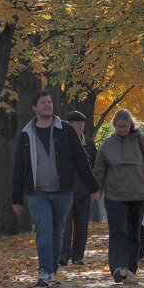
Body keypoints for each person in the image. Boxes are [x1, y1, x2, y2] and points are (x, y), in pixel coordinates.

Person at [11, 91, 100, 287]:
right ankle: (44, 270)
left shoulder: (66, 130)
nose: (47, 105)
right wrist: (16, 198)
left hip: (62, 191)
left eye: (49, 102)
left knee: (57, 230)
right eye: (43, 103)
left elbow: (81, 159)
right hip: (37, 192)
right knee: (44, 227)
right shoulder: (26, 134)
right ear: (35, 107)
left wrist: (93, 187)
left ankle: (52, 269)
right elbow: (19, 166)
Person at [93, 109, 144, 283]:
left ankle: (130, 269)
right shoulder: (108, 144)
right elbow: (99, 169)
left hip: (138, 194)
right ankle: (117, 267)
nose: (123, 129)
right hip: (115, 195)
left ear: (131, 124)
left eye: (126, 126)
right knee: (118, 231)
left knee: (134, 232)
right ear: (114, 126)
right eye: (120, 126)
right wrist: (97, 188)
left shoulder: (140, 141)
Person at [59, 110, 98, 266]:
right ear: (70, 124)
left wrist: (94, 188)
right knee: (65, 226)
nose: (81, 125)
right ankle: (64, 254)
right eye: (77, 123)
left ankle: (78, 256)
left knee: (82, 226)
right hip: (66, 190)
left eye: (82, 123)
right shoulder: (61, 141)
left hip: (83, 190)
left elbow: (94, 167)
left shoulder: (89, 143)